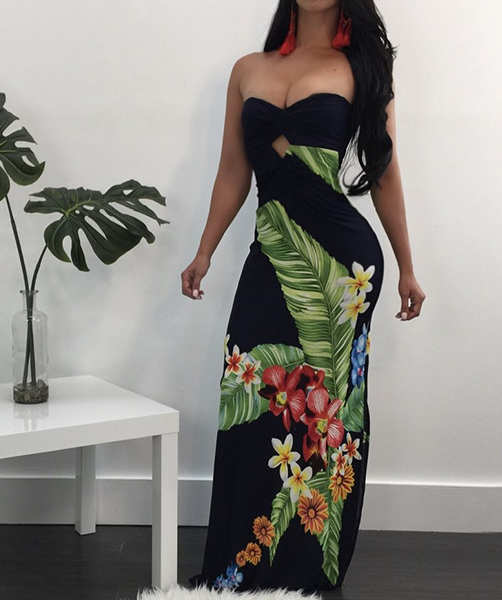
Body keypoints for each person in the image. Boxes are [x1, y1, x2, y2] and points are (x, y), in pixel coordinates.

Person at [182, 0, 425, 592]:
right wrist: (205, 250)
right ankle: (240, 565)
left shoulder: (362, 66)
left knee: (326, 421)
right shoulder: (248, 69)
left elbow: (384, 171)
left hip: (343, 269)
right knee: (249, 393)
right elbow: (233, 171)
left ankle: (308, 568)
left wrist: (407, 267)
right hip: (272, 254)